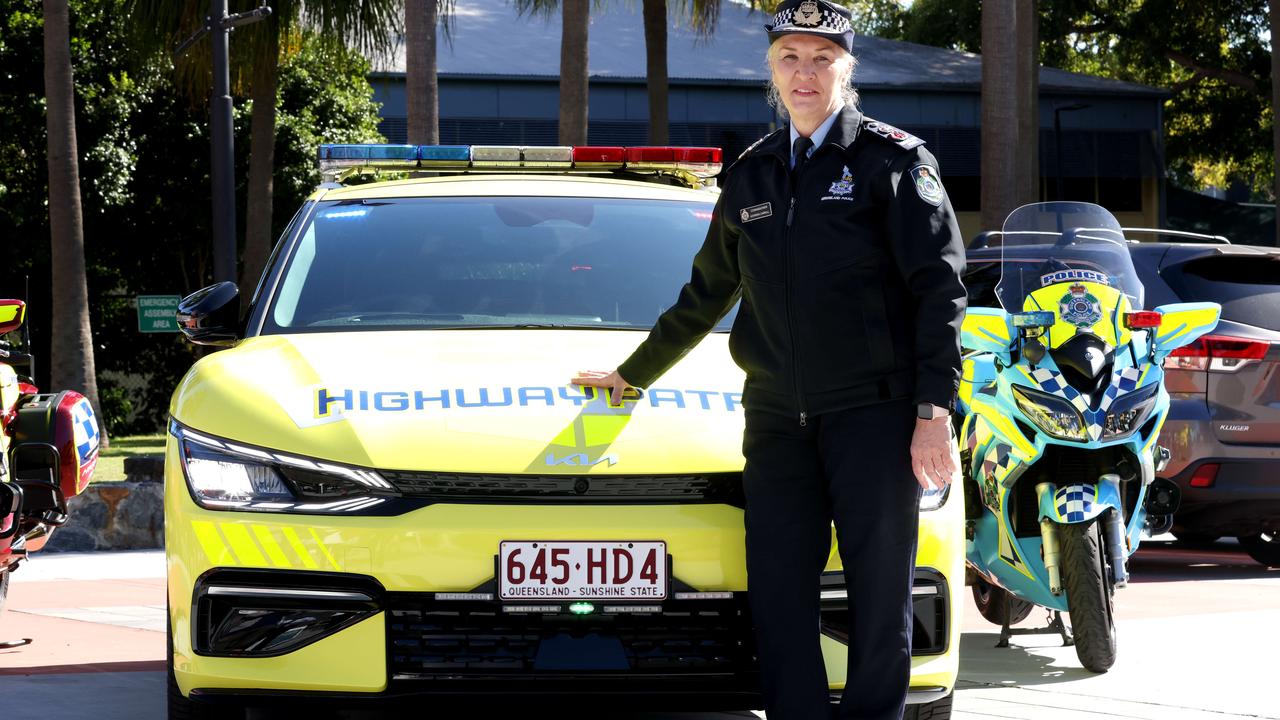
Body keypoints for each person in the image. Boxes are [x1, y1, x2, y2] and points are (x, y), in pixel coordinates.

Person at [573, 1, 966, 717]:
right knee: (780, 592)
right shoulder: (752, 176)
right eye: (791, 58)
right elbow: (705, 293)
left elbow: (939, 292)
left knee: (880, 595)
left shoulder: (892, 164)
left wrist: (933, 412)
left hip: (874, 416)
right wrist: (633, 374)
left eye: (821, 59)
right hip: (778, 420)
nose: (805, 73)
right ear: (772, 72)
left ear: (846, 70)